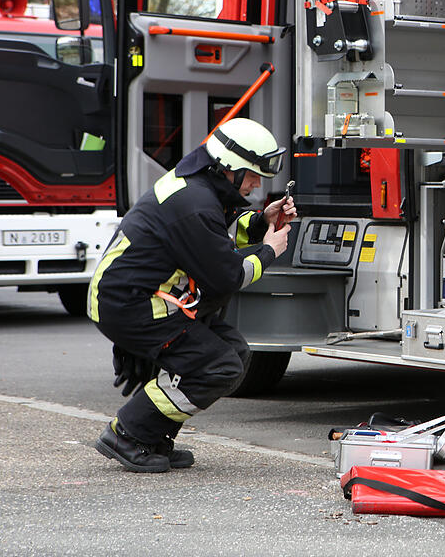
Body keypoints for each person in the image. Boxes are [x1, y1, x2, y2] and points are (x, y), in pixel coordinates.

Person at [87, 118, 296, 473]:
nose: (257, 184)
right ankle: (127, 434)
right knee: (217, 365)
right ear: (229, 168)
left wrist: (263, 221)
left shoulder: (200, 186)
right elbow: (227, 276)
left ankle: (152, 437)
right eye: (252, 175)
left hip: (142, 297)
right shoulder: (193, 202)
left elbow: (218, 234)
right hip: (130, 302)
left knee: (233, 352)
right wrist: (269, 251)